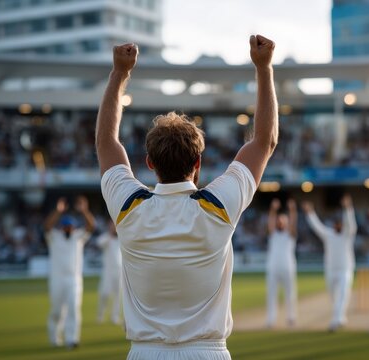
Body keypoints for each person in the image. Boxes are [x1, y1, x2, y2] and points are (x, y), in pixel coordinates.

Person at [96, 35, 277, 360]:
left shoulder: (128, 208)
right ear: (198, 163)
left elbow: (106, 142)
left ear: (150, 164)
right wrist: (264, 69)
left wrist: (119, 74)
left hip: (144, 353)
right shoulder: (217, 207)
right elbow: (265, 141)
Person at [44, 196, 95, 348]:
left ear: (73, 227)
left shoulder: (78, 236)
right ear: (61, 227)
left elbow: (91, 226)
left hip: (74, 279)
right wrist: (58, 211)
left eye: (70, 226)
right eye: (66, 226)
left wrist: (85, 211)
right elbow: (47, 226)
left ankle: (72, 339)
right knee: (57, 311)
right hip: (57, 279)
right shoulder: (54, 236)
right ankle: (54, 337)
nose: (68, 229)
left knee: (74, 309)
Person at [302, 194, 357, 332]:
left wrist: (348, 208)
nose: (338, 225)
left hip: (345, 269)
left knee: (343, 295)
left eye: (340, 224)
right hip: (331, 270)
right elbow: (316, 226)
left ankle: (336, 320)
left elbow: (351, 223)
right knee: (333, 296)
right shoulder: (329, 234)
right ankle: (340, 316)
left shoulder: (347, 234)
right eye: (336, 224)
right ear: (334, 225)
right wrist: (310, 213)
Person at [265, 198, 298, 328]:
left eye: (283, 220)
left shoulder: (290, 234)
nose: (280, 222)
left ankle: (291, 317)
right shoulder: (273, 234)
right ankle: (271, 319)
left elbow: (293, 223)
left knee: (290, 294)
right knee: (271, 294)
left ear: (287, 222)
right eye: (278, 220)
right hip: (273, 267)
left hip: (288, 267)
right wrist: (273, 210)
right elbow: (270, 223)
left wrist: (292, 210)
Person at [97, 220, 122, 325]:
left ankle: (115, 316)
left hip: (120, 271)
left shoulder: (122, 238)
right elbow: (99, 243)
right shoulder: (106, 237)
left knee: (118, 295)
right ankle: (100, 315)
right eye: (112, 226)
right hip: (108, 271)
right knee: (104, 294)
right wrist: (110, 236)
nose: (114, 228)